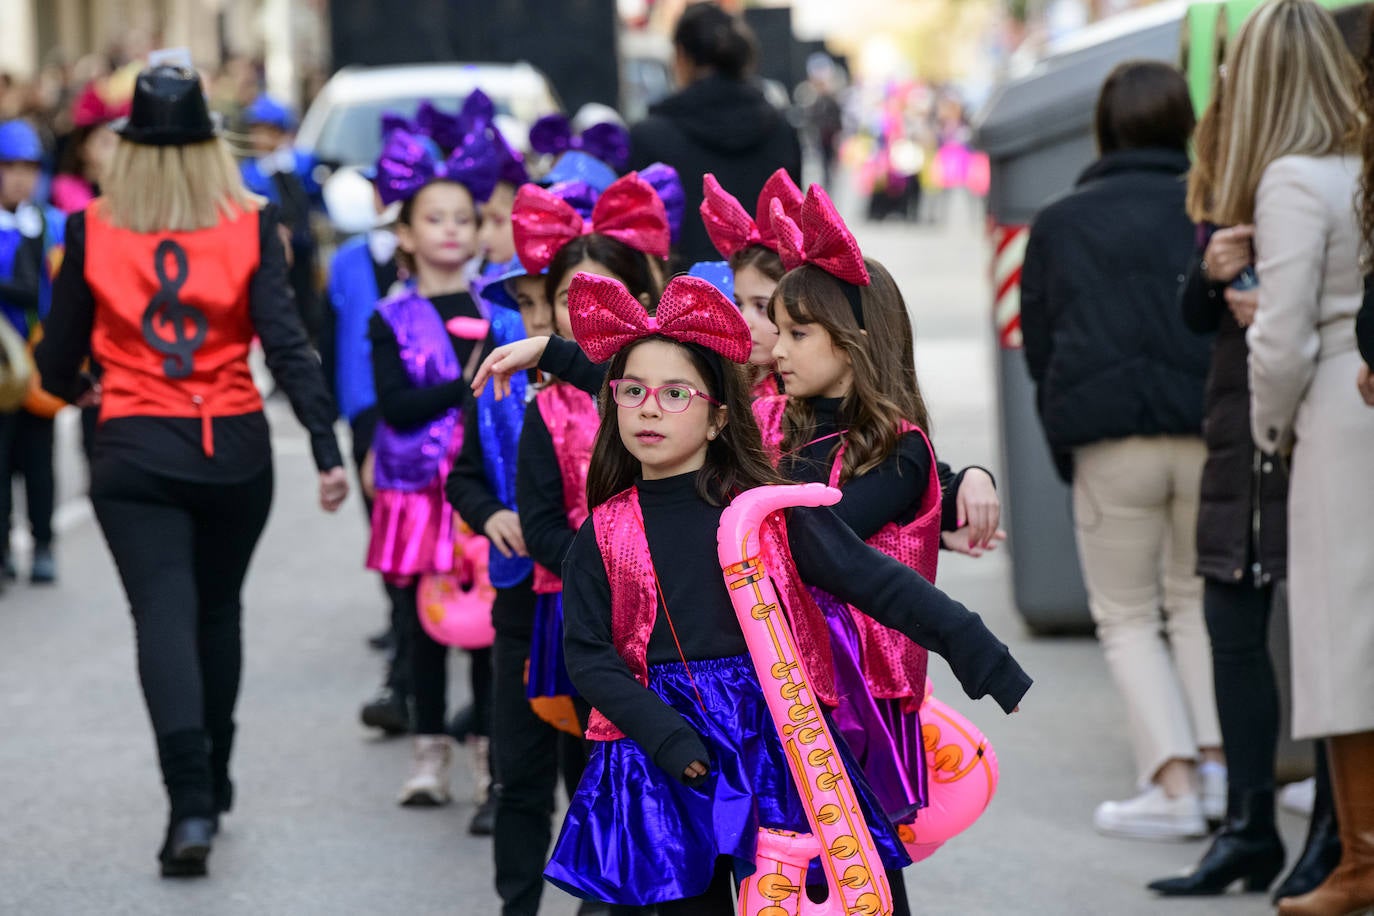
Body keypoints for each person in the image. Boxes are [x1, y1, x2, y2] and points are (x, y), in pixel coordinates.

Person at [537, 271, 1030, 912]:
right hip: (659, 754)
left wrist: (980, 652)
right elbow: (591, 656)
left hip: (771, 735)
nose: (651, 407)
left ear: (718, 418)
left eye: (675, 393)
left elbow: (874, 579)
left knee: (826, 891)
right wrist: (669, 740)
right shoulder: (604, 530)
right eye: (633, 391)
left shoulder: (764, 514)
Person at [33, 64, 348, 878]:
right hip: (232, 445)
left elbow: (57, 362)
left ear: (128, 148)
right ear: (214, 143)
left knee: (162, 617)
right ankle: (217, 766)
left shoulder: (94, 229)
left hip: (134, 444)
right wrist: (323, 445)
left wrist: (83, 389)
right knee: (218, 613)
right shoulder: (251, 223)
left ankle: (190, 805)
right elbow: (286, 343)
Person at [1147, 39, 1338, 898]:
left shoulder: (1319, 176)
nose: (1222, 94)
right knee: (1233, 619)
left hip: (1299, 416)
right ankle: (1250, 827)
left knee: (1328, 636)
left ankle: (1337, 832)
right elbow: (1195, 314)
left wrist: (1279, 318)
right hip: (1237, 413)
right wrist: (1210, 271)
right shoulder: (1228, 170)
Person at [1020, 60, 1223, 839]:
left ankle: (1170, 786)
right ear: (1186, 125)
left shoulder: (1061, 221)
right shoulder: (1210, 209)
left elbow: (1041, 345)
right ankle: (1215, 769)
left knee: (1128, 616)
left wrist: (1064, 432)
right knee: (1199, 604)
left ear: (1104, 128)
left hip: (1108, 441)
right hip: (1207, 434)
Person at [1209, 3, 1373, 913]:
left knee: (1338, 643)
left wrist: (1270, 430)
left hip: (1334, 414)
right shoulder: (1360, 166)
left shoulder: (1292, 178)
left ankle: (1359, 861)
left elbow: (1283, 344)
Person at [362, 122, 500, 810]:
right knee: (421, 628)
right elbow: (397, 405)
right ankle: (427, 756)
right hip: (417, 495)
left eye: (463, 218)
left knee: (482, 631)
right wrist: (464, 380)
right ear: (406, 235)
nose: (450, 229)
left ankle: (486, 757)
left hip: (477, 493)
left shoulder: (496, 306)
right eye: (433, 218)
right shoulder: (392, 316)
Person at [627, 2, 801, 264]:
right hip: (767, 296)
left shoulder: (648, 137)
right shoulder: (781, 130)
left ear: (681, 56)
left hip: (680, 298)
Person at [0, 119, 65, 584]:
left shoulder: (50, 224)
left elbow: (50, 293)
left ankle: (43, 543)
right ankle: (2, 550)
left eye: (28, 167)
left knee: (39, 463)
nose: (19, 177)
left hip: (36, 366)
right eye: (9, 167)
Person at [699, 168, 801, 399]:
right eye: (739, 304)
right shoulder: (725, 385)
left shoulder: (804, 397)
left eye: (762, 307)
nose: (744, 321)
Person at [238, 94, 323, 342]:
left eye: (268, 131)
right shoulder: (249, 172)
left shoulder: (299, 162)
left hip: (303, 250)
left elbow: (313, 198)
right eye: (256, 131)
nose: (260, 139)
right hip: (269, 253)